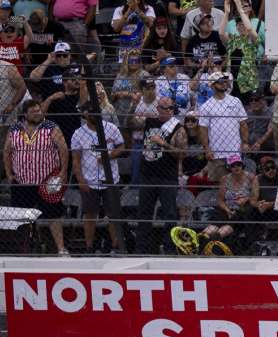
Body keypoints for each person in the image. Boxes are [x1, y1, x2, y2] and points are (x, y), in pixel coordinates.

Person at [3, 99, 69, 255]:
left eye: (39, 110)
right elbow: (6, 151)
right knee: (21, 218)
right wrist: (8, 173)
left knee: (54, 216)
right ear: (25, 114)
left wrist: (63, 172)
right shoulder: (14, 129)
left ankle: (61, 248)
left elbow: (63, 149)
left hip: (46, 182)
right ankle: (23, 249)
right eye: (33, 111)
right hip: (22, 182)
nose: (38, 113)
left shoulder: (51, 127)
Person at [135, 96, 186, 253]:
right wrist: (133, 104)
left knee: (169, 214)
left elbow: (182, 154)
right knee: (144, 213)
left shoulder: (178, 128)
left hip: (167, 177)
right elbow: (130, 123)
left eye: (171, 108)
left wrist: (163, 143)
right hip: (147, 175)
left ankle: (170, 249)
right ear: (158, 109)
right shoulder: (149, 122)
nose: (168, 111)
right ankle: (142, 249)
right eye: (164, 108)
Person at [71, 111, 126, 254]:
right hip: (89, 179)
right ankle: (89, 247)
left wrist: (109, 156)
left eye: (97, 112)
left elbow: (122, 147)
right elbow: (76, 159)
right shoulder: (78, 133)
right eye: (91, 112)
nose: (95, 115)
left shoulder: (111, 128)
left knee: (112, 213)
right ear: (85, 114)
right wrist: (80, 180)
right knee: (90, 214)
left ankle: (115, 246)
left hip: (110, 178)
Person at [197, 71, 248, 181]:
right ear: (212, 85)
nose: (224, 83)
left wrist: (245, 142)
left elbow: (243, 123)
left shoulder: (235, 101)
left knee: (237, 182)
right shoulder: (206, 106)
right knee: (219, 184)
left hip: (235, 150)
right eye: (220, 81)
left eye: (225, 81)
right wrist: (207, 149)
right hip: (216, 152)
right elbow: (203, 129)